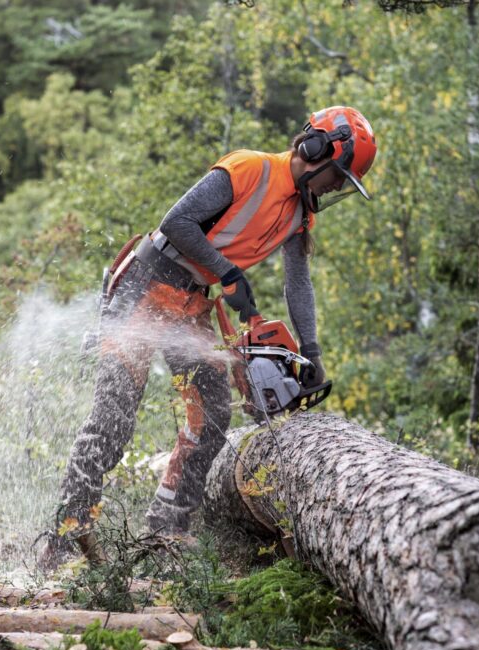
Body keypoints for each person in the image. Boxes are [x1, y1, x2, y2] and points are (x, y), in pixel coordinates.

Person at [38, 106, 377, 568]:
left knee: (212, 414)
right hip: (146, 284)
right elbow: (176, 221)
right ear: (316, 150)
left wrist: (311, 349)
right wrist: (228, 273)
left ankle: (166, 531)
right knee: (113, 418)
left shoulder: (300, 214)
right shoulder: (248, 169)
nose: (335, 188)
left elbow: (298, 283)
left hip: (193, 300)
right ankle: (64, 537)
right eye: (337, 177)